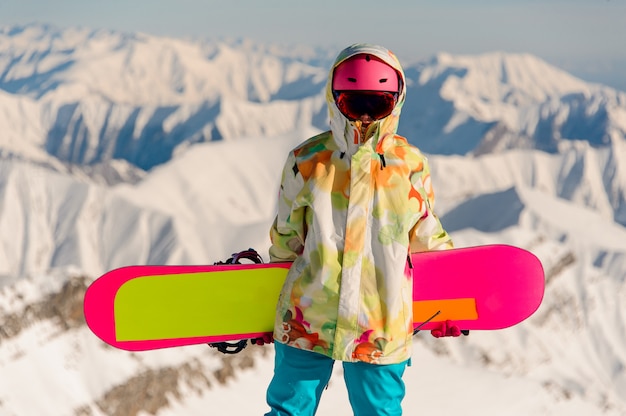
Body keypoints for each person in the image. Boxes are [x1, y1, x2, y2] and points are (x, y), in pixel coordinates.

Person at [265, 43, 454, 416]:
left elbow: (427, 240)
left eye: (377, 104)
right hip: (306, 320)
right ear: (335, 101)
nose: (364, 118)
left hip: (379, 326)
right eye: (354, 104)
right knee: (288, 412)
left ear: (395, 102)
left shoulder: (410, 166)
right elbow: (285, 240)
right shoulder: (307, 162)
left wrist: (451, 301)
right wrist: (265, 298)